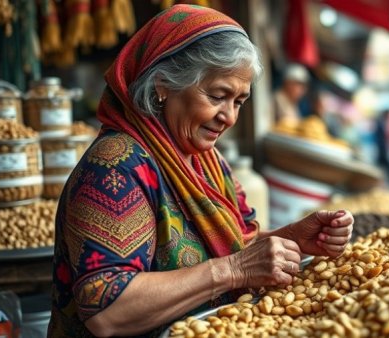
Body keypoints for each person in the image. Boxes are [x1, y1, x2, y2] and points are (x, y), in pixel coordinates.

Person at [48, 5, 353, 337]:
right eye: (217, 96)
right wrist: (233, 271)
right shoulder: (115, 167)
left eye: (238, 102)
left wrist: (292, 238)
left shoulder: (205, 161)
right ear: (163, 85)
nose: (230, 117)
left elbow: (235, 245)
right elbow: (107, 311)